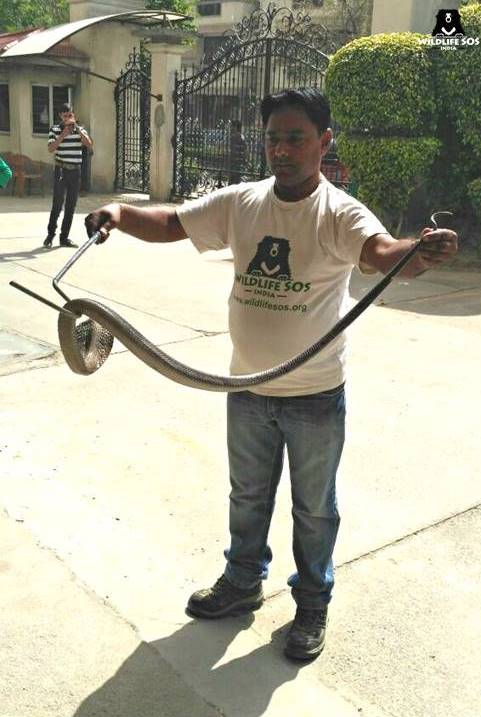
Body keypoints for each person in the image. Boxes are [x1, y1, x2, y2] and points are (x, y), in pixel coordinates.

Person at [85, 89, 458, 661]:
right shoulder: (241, 203)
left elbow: (381, 253)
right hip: (247, 390)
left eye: (296, 138)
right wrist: (118, 213)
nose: (281, 150)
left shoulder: (339, 212)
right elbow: (172, 223)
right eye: (273, 138)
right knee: (249, 496)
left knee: (314, 509)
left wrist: (418, 252)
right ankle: (241, 584)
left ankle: (312, 604)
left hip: (313, 395)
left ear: (324, 142)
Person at [44, 103, 93, 248]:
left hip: (75, 172)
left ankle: (64, 237)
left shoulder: (80, 130)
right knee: (57, 205)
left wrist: (77, 128)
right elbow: (50, 149)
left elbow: (89, 144)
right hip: (61, 171)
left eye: (70, 115)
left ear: (73, 114)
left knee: (71, 206)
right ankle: (50, 235)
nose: (67, 118)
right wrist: (63, 135)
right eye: (65, 116)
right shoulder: (54, 129)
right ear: (60, 116)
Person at [228, 119, 246, 184]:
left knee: (235, 178)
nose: (232, 128)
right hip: (236, 161)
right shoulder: (241, 137)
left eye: (233, 126)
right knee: (235, 178)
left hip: (236, 161)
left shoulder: (235, 137)